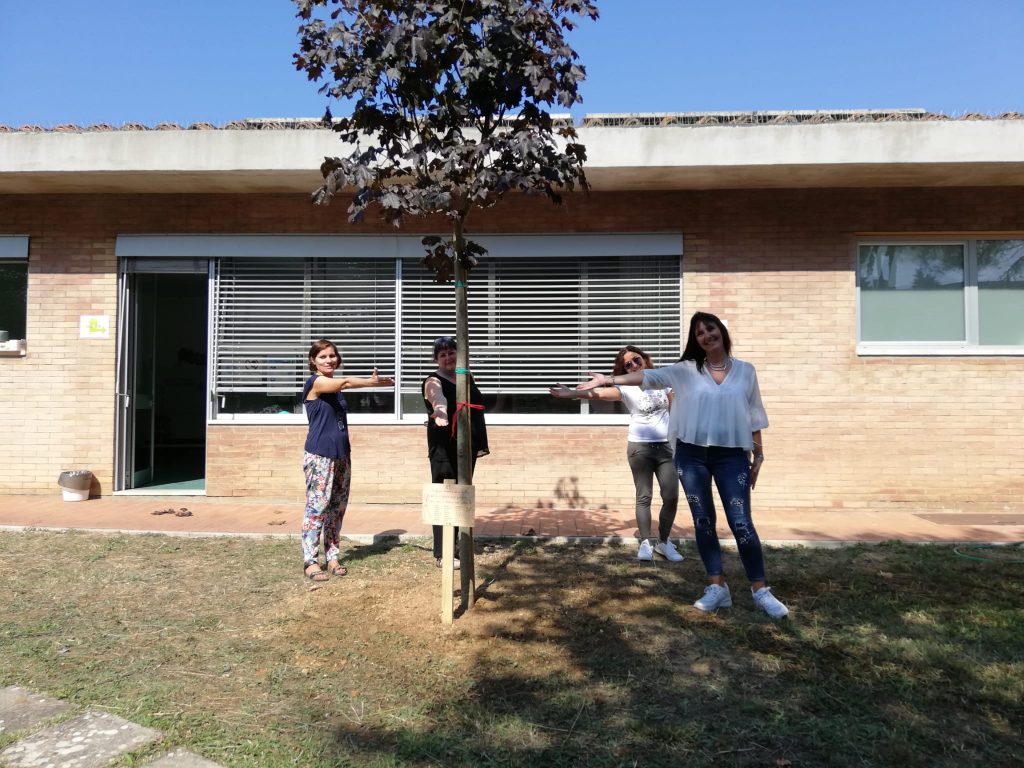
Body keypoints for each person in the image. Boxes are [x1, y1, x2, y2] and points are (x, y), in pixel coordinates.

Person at [577, 312, 789, 619]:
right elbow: (647, 378)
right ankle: (717, 586)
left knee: (741, 522)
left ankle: (760, 590)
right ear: (695, 340)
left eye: (710, 329)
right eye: (699, 333)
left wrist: (759, 456)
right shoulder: (686, 370)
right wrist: (609, 379)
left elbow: (754, 414)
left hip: (732, 457)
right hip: (692, 456)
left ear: (721, 332)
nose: (706, 335)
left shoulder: (745, 371)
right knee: (703, 521)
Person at [549, 345, 683, 563]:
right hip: (640, 448)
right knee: (644, 496)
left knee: (671, 496)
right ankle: (645, 542)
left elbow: (676, 410)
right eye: (628, 364)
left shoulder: (661, 381)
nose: (633, 365)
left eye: (636, 360)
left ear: (644, 358)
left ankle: (664, 542)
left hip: (667, 448)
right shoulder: (626, 388)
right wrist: (572, 393)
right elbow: (600, 393)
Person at [301, 339, 394, 581]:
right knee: (317, 509)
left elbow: (342, 388)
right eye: (322, 356)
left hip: (342, 455)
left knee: (337, 509)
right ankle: (310, 561)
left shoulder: (335, 389)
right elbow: (345, 382)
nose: (329, 360)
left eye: (332, 355)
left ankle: (332, 557)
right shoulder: (316, 382)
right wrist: (371, 382)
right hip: (320, 456)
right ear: (313, 361)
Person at [423, 336, 489, 569]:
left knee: (462, 494)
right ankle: (443, 553)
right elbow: (437, 397)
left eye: (452, 352)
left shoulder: (466, 375)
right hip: (445, 446)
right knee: (445, 495)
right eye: (443, 354)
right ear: (436, 359)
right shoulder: (432, 380)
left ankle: (459, 545)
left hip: (466, 444)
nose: (448, 357)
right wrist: (440, 411)